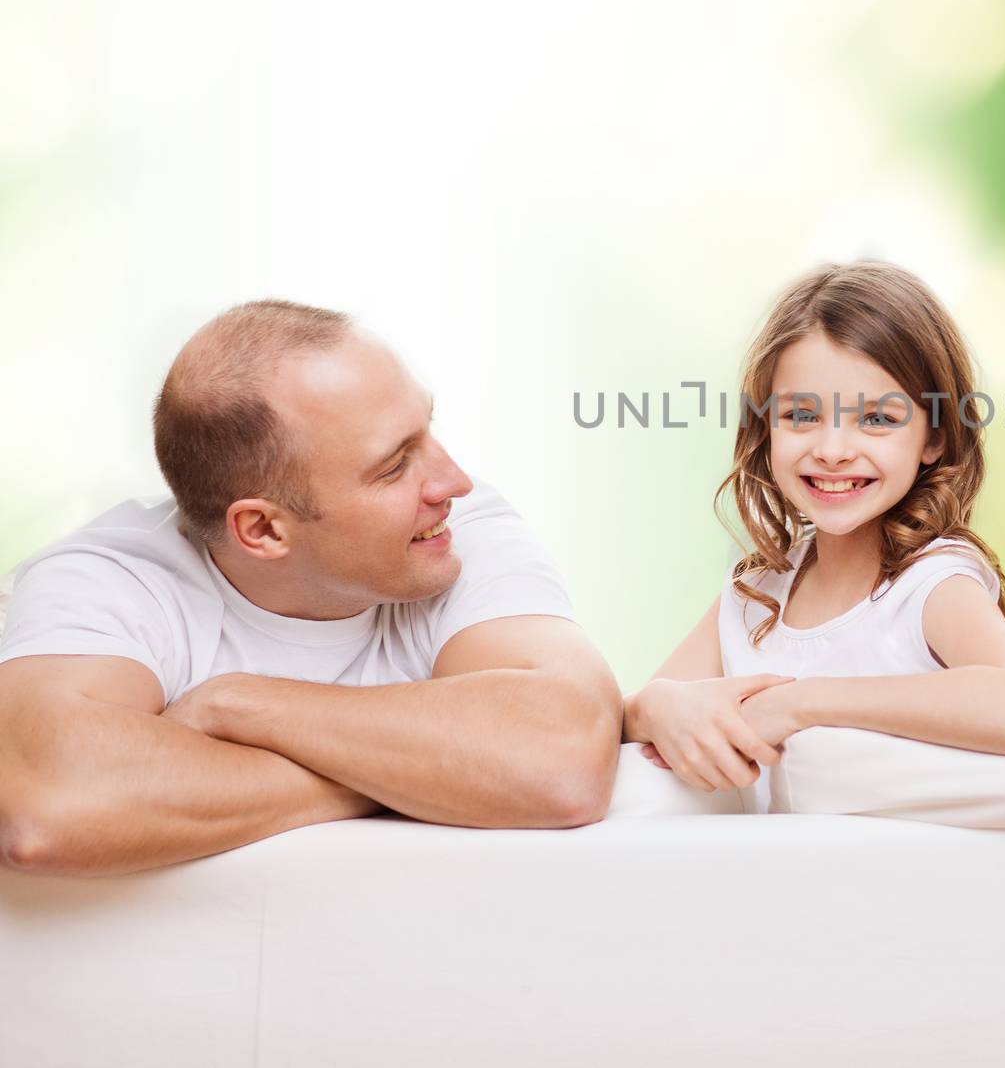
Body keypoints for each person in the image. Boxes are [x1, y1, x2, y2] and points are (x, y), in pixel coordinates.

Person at [0, 299, 622, 877]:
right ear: (264, 529)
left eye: (427, 429)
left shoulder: (452, 529)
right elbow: (46, 809)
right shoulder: (108, 579)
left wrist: (240, 704)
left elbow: (564, 757)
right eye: (394, 464)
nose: (453, 480)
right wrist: (429, 776)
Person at [624, 261, 1005, 807]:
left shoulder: (931, 585)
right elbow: (627, 719)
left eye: (878, 419)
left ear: (934, 439)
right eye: (802, 416)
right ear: (766, 431)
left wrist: (802, 703)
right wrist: (655, 707)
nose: (833, 450)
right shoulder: (758, 594)